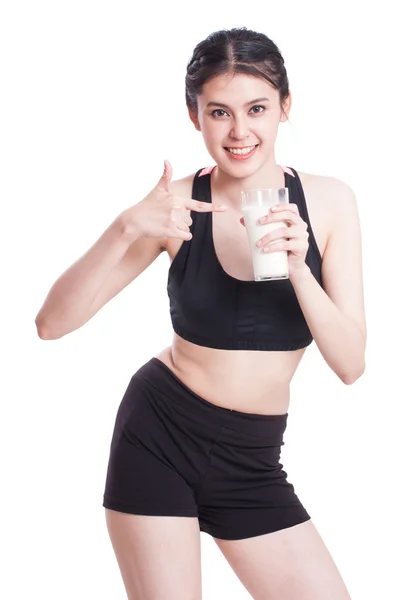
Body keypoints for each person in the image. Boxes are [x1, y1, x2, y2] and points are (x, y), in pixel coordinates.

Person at [35, 26, 366, 600]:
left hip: (253, 460)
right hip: (159, 435)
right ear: (195, 117)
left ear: (285, 107)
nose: (239, 132)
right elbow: (51, 324)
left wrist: (298, 267)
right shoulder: (177, 207)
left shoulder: (331, 202)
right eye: (219, 112)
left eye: (256, 108)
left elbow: (351, 363)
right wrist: (126, 227)